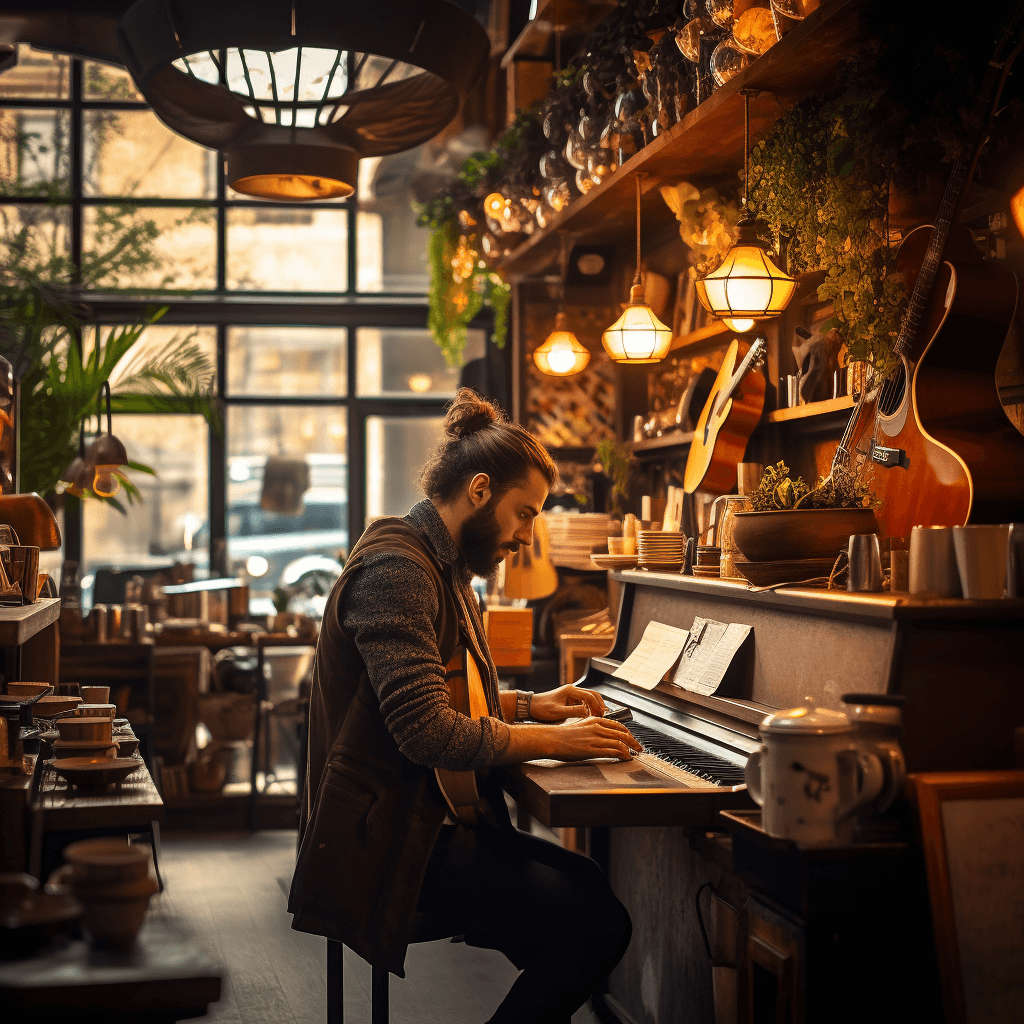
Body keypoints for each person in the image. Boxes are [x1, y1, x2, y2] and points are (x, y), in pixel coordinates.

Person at [289, 389, 640, 1023]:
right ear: (479, 490)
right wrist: (554, 742)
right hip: (386, 842)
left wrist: (534, 706)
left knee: (586, 896)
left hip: (423, 822)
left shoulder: (441, 566)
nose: (526, 536)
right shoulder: (399, 571)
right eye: (523, 514)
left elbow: (441, 699)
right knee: (593, 925)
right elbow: (427, 732)